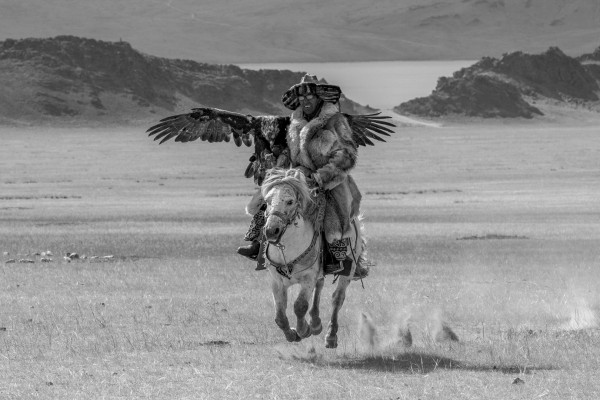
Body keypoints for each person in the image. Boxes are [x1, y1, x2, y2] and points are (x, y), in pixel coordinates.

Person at [238, 74, 368, 279]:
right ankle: (258, 244)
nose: (305, 101)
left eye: (310, 97)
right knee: (269, 200)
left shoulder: (336, 121)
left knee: (334, 218)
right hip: (299, 173)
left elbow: (347, 154)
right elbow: (290, 151)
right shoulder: (295, 121)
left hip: (331, 178)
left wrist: (322, 176)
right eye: (301, 98)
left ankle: (338, 257)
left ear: (319, 98)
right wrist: (279, 165)